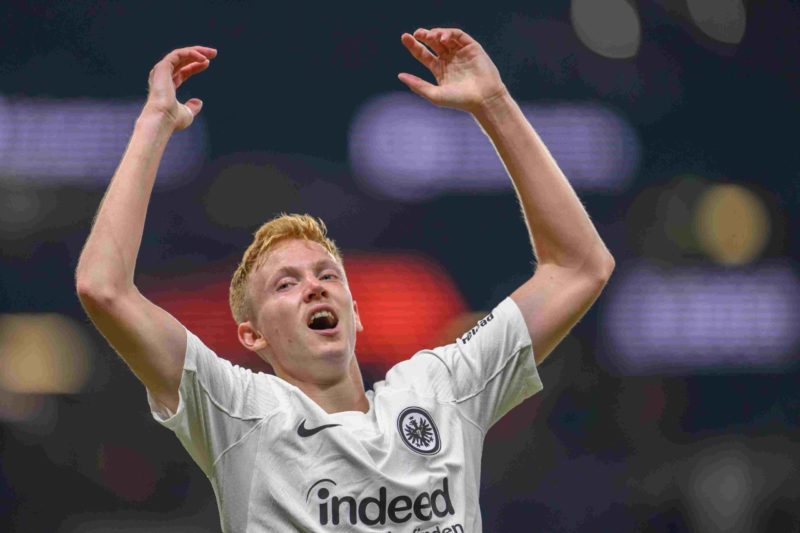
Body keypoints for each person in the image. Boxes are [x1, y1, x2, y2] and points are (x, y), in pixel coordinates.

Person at [76, 27, 615, 532]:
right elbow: (104, 289)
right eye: (284, 285)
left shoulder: (440, 390)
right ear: (252, 336)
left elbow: (579, 267)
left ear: (355, 312)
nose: (313, 286)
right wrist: (153, 123)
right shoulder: (237, 411)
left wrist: (494, 105)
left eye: (326, 274)